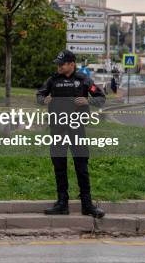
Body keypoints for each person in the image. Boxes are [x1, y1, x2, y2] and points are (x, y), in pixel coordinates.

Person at [36, 50, 106, 219]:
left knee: (81, 167)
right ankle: (62, 204)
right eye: (58, 64)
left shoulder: (83, 80)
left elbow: (101, 97)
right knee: (59, 166)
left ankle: (87, 205)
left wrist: (88, 100)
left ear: (72, 64)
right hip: (58, 129)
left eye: (62, 64)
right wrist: (43, 100)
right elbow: (39, 95)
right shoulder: (53, 80)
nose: (59, 66)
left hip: (77, 130)